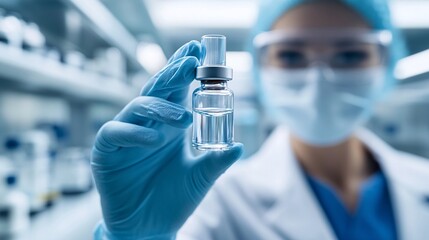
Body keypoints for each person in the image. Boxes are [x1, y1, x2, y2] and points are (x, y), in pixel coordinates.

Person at [91, 0, 429, 239]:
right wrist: (139, 238)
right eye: (291, 54)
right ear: (261, 64)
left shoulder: (422, 179)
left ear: (386, 62)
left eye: (350, 54)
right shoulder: (215, 202)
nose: (319, 78)